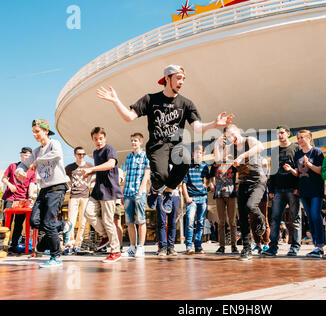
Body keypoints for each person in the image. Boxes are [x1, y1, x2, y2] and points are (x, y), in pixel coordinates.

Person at [96, 65, 234, 216]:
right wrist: (116, 101)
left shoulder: (186, 104)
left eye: (183, 79)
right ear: (167, 79)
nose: (181, 82)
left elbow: (198, 127)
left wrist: (214, 124)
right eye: (178, 78)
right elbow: (129, 117)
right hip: (157, 146)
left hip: (176, 146)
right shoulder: (150, 99)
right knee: (162, 175)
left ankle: (168, 192)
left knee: (186, 161)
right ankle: (155, 189)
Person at [15, 120, 71, 268]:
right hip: (44, 189)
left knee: (48, 223)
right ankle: (64, 226)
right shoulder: (36, 151)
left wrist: (38, 162)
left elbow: (57, 154)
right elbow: (24, 164)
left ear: (46, 131)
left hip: (57, 187)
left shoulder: (54, 144)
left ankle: (56, 257)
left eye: (37, 131)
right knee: (34, 221)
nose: (35, 134)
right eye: (33, 131)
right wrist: (20, 171)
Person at [214, 124, 266, 260]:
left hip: (257, 181)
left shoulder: (250, 141)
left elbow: (261, 147)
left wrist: (243, 155)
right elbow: (218, 160)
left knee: (251, 206)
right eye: (228, 137)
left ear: (238, 131)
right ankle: (247, 249)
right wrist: (217, 145)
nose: (232, 138)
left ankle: (261, 219)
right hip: (243, 183)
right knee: (242, 217)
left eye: (232, 134)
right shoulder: (231, 148)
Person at [81, 127, 124, 263]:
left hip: (109, 189)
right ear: (93, 140)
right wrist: (91, 173)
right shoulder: (95, 152)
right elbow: (101, 169)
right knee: (88, 212)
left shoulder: (109, 149)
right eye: (95, 139)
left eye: (100, 138)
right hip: (98, 189)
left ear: (104, 138)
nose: (98, 141)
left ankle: (115, 251)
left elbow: (111, 164)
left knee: (108, 220)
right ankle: (104, 235)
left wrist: (92, 168)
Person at [263, 125, 301, 257]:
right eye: (277, 133)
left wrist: (298, 187)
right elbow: (272, 172)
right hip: (278, 190)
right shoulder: (274, 151)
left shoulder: (296, 148)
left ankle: (295, 246)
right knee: (275, 220)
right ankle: (273, 247)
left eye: (282, 133)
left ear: (288, 133)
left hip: (293, 189)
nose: (279, 135)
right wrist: (271, 189)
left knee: (295, 218)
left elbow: (300, 169)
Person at [292, 130, 325, 258]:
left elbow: (321, 171)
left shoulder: (316, 152)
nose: (300, 140)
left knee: (316, 216)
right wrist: (291, 170)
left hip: (316, 189)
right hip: (303, 190)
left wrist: (309, 164)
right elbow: (298, 173)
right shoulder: (298, 154)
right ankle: (316, 246)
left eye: (302, 137)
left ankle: (320, 246)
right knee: (310, 218)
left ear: (309, 138)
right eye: (298, 138)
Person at [2, 147, 37, 254]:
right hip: (10, 197)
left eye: (30, 157)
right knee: (6, 222)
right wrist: (9, 184)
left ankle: (14, 245)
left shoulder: (32, 170)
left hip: (23, 199)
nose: (28, 159)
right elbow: (3, 178)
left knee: (18, 223)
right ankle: (3, 245)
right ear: (21, 155)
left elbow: (31, 184)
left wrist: (30, 197)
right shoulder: (13, 166)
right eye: (26, 156)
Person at [121, 133, 150, 258]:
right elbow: (125, 175)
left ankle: (141, 247)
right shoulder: (128, 157)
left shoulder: (145, 156)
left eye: (136, 141)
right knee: (129, 222)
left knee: (141, 220)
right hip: (127, 193)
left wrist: (141, 190)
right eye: (132, 140)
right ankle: (132, 247)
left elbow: (147, 174)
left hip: (138, 193)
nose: (133, 143)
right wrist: (122, 192)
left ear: (141, 142)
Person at [63, 146, 94, 255]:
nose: (81, 156)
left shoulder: (90, 166)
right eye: (79, 154)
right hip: (74, 196)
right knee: (71, 222)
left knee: (83, 222)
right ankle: (69, 245)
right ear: (75, 155)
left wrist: (90, 184)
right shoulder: (69, 167)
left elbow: (97, 174)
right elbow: (62, 175)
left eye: (83, 154)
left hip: (86, 196)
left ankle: (78, 245)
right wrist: (68, 183)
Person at [181, 145, 211, 255]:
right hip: (192, 198)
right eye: (196, 152)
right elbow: (183, 183)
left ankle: (198, 246)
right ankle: (189, 246)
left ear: (203, 155)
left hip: (203, 198)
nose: (198, 154)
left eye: (200, 153)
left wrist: (206, 184)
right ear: (193, 154)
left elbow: (208, 180)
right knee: (189, 220)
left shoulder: (205, 167)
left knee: (200, 223)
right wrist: (186, 197)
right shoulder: (188, 167)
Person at [210, 150, 239, 255]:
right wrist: (212, 184)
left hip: (231, 194)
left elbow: (239, 173)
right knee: (221, 222)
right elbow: (211, 177)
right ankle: (221, 246)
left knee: (232, 221)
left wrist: (237, 184)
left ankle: (234, 246)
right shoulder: (215, 165)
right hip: (219, 195)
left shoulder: (232, 163)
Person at [250, 157, 271, 254]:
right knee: (253, 220)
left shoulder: (265, 174)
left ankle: (266, 244)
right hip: (252, 197)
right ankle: (257, 244)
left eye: (265, 166)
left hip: (262, 197)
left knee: (264, 219)